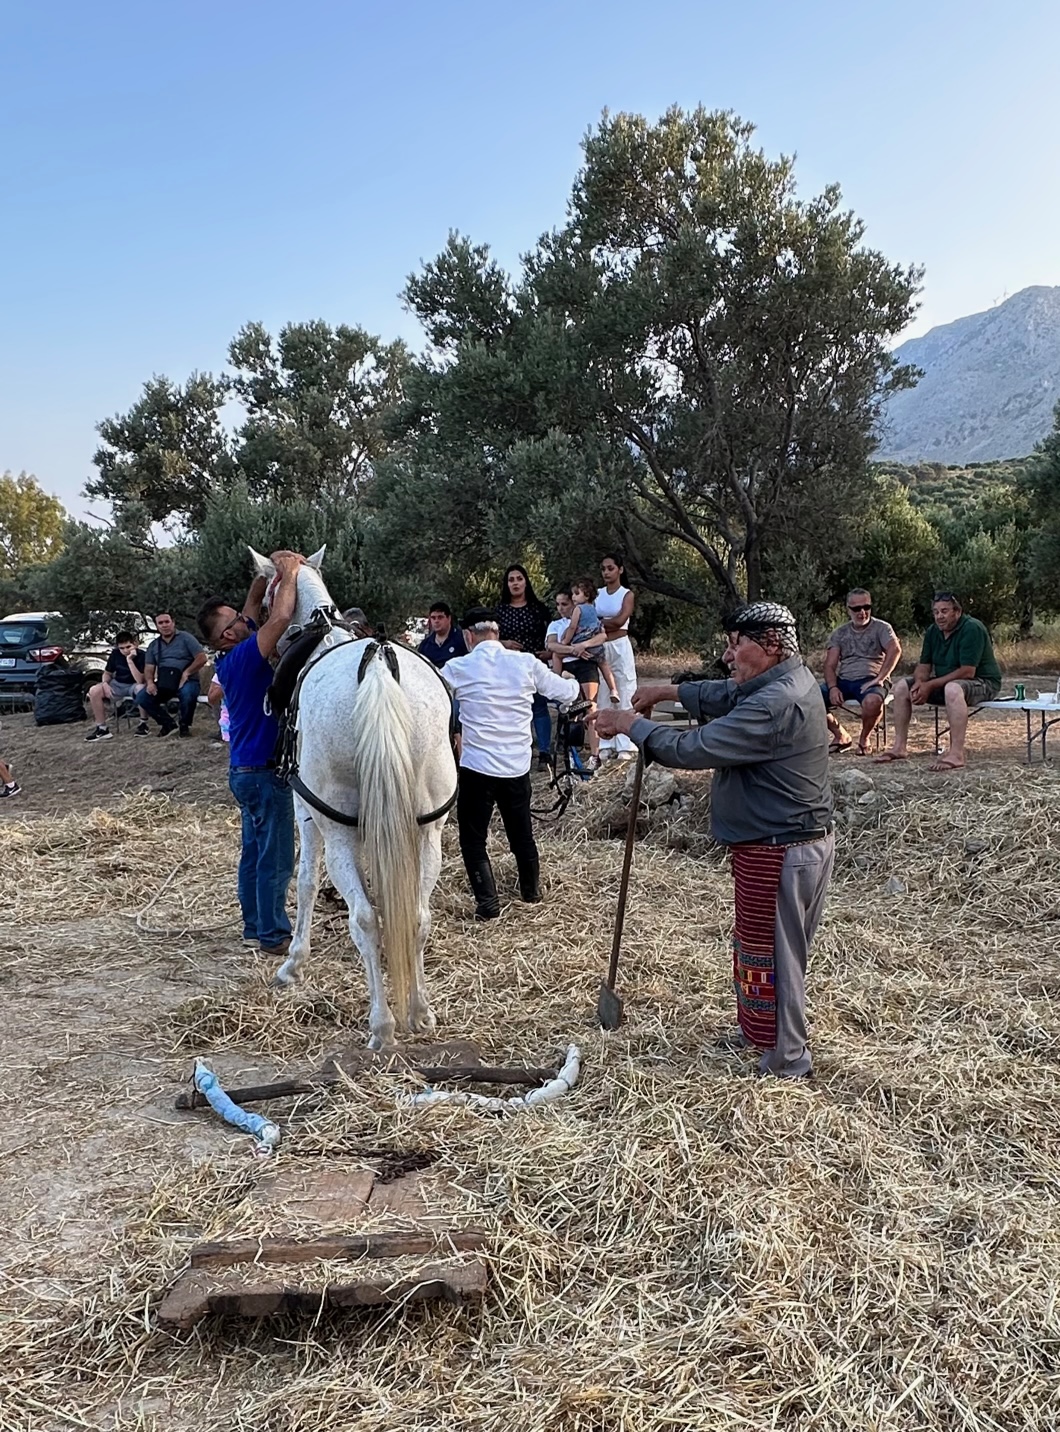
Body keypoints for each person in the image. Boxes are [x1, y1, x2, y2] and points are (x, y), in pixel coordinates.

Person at [594, 601, 833, 1080]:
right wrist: (669, 691)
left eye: (735, 644)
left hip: (783, 847)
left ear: (768, 646)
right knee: (756, 946)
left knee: (778, 955)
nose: (728, 655)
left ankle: (789, 1058)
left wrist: (629, 726)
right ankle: (757, 1031)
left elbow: (692, 748)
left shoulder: (777, 702)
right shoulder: (774, 682)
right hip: (768, 844)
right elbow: (725, 693)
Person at [197, 552, 304, 955]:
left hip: (245, 770)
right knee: (275, 857)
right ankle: (274, 936)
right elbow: (278, 619)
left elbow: (251, 610)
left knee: (254, 851)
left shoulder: (232, 655)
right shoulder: (244, 657)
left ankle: (253, 925)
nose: (247, 619)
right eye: (238, 621)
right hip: (265, 772)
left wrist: (263, 577)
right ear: (228, 635)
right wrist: (291, 573)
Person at [442, 606, 579, 919]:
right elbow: (566, 694)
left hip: (477, 767)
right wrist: (571, 681)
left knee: (473, 839)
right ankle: (531, 892)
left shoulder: (458, 667)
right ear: (497, 633)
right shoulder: (525, 663)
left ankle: (488, 903)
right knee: (522, 834)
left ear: (467, 636)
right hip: (516, 767)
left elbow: (431, 694)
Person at [876, 591, 1001, 772]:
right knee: (902, 686)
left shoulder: (972, 628)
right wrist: (920, 683)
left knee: (952, 689)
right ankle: (899, 746)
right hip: (949, 683)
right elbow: (924, 665)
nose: (939, 616)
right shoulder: (933, 631)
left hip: (982, 682)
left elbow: (967, 671)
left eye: (944, 611)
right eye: (936, 612)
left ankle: (956, 753)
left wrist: (931, 685)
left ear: (957, 612)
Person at [821, 589, 902, 755]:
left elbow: (895, 650)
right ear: (848, 609)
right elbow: (829, 665)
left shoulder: (882, 628)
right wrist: (833, 687)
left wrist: (881, 677)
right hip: (844, 679)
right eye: (856, 609)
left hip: (872, 679)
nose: (862, 612)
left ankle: (865, 739)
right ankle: (840, 735)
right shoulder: (840, 633)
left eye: (866, 607)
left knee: (873, 701)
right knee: (809, 699)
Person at [496, 564, 554, 770]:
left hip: (535, 664)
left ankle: (545, 753)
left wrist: (550, 652)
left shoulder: (539, 609)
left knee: (539, 707)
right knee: (514, 709)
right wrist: (505, 644)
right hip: (509, 667)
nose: (515, 583)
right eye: (511, 580)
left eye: (519, 578)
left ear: (526, 581)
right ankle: (518, 752)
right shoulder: (499, 611)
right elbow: (491, 640)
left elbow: (552, 634)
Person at [547, 588, 606, 770]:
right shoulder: (556, 625)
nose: (561, 608)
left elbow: (602, 636)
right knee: (571, 710)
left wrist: (584, 645)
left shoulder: (588, 618)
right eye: (558, 605)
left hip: (587, 663)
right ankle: (571, 753)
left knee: (591, 707)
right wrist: (574, 649)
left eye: (565, 604)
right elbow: (552, 645)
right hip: (568, 665)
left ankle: (595, 755)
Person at [595, 552, 638, 760]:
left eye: (610, 568)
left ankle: (626, 744)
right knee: (604, 691)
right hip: (601, 645)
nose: (606, 572)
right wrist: (604, 622)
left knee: (624, 687)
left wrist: (602, 621)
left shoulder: (626, 594)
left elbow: (620, 620)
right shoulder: (597, 594)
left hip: (620, 644)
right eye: (603, 569)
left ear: (620, 569)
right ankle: (606, 741)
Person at [135, 612, 207, 738]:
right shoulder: (153, 645)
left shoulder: (186, 638)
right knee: (142, 697)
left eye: (167, 622)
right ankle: (167, 724)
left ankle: (184, 726)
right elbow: (149, 667)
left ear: (173, 622)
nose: (164, 625)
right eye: (160, 623)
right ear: (157, 626)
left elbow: (201, 658)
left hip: (188, 680)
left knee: (188, 694)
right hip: (165, 682)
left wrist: (186, 673)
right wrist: (150, 682)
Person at [561, 577, 621, 705]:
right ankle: (613, 689)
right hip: (596, 645)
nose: (573, 597)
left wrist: (565, 641)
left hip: (581, 643)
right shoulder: (593, 608)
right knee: (604, 665)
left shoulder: (578, 609)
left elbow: (573, 626)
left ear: (587, 595)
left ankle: (569, 678)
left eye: (577, 594)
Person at [85, 631, 147, 742]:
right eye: (122, 648)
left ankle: (143, 723)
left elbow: (140, 680)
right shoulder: (115, 654)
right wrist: (105, 684)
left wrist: (130, 661)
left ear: (135, 644)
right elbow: (107, 673)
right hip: (118, 684)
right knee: (94, 690)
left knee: (141, 689)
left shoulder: (142, 655)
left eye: (128, 647)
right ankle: (102, 728)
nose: (125, 651)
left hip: (134, 684)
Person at [418, 602, 468, 669]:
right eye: (433, 618)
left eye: (440, 617)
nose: (436, 621)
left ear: (449, 618)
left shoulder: (463, 639)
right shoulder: (425, 646)